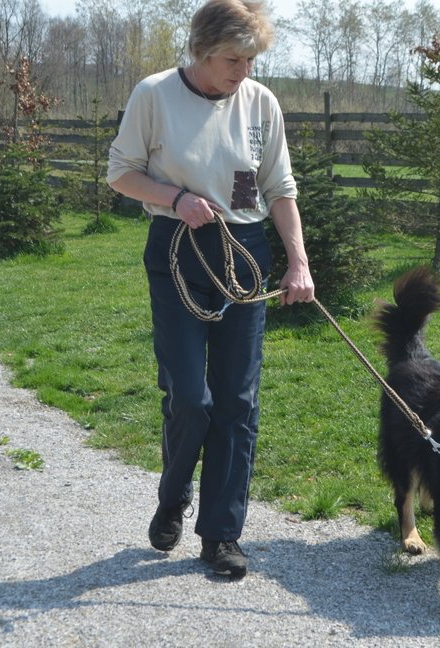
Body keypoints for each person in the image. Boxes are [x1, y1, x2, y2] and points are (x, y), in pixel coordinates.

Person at [107, 0, 314, 580]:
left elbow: (279, 187)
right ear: (201, 50)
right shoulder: (154, 95)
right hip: (177, 251)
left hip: (245, 255)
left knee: (237, 402)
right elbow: (119, 171)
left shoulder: (261, 102)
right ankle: (174, 497)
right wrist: (175, 199)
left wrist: (298, 263)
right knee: (190, 399)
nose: (243, 71)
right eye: (233, 59)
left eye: (251, 60)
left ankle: (222, 535)